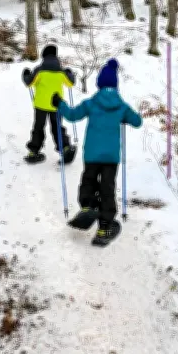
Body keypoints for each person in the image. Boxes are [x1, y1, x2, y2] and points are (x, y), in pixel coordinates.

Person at [51, 58, 142, 245]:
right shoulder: (121, 106)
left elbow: (72, 115)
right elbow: (138, 121)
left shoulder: (91, 103)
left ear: (99, 84)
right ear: (116, 86)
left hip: (92, 154)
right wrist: (124, 118)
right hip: (111, 157)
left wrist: (59, 103)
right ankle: (104, 227)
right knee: (107, 188)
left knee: (89, 180)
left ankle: (87, 206)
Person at [22, 44, 76, 163]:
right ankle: (66, 148)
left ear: (44, 55)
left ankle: (33, 152)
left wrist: (26, 74)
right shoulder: (61, 71)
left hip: (40, 105)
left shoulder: (39, 70)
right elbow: (71, 83)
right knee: (57, 128)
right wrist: (69, 73)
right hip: (56, 105)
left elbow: (29, 83)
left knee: (38, 127)